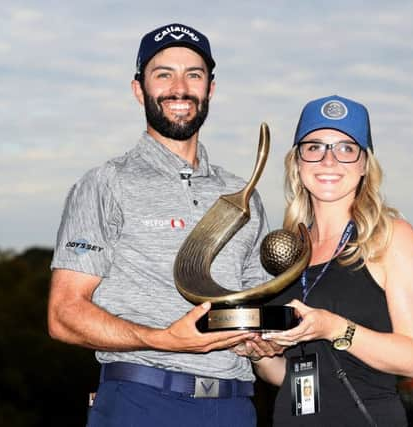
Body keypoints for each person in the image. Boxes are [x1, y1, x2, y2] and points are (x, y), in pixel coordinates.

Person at [47, 23, 272, 427]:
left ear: (210, 89)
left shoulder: (244, 193)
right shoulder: (105, 184)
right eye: (163, 74)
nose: (180, 88)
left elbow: (253, 309)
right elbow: (64, 314)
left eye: (194, 74)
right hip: (141, 402)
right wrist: (161, 339)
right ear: (139, 89)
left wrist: (260, 341)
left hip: (235, 406)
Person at [236, 95, 413, 426]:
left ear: (364, 165)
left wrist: (333, 327)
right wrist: (258, 353)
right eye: (314, 147)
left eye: (345, 149)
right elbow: (291, 374)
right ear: (297, 163)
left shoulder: (390, 237)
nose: (329, 160)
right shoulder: (289, 251)